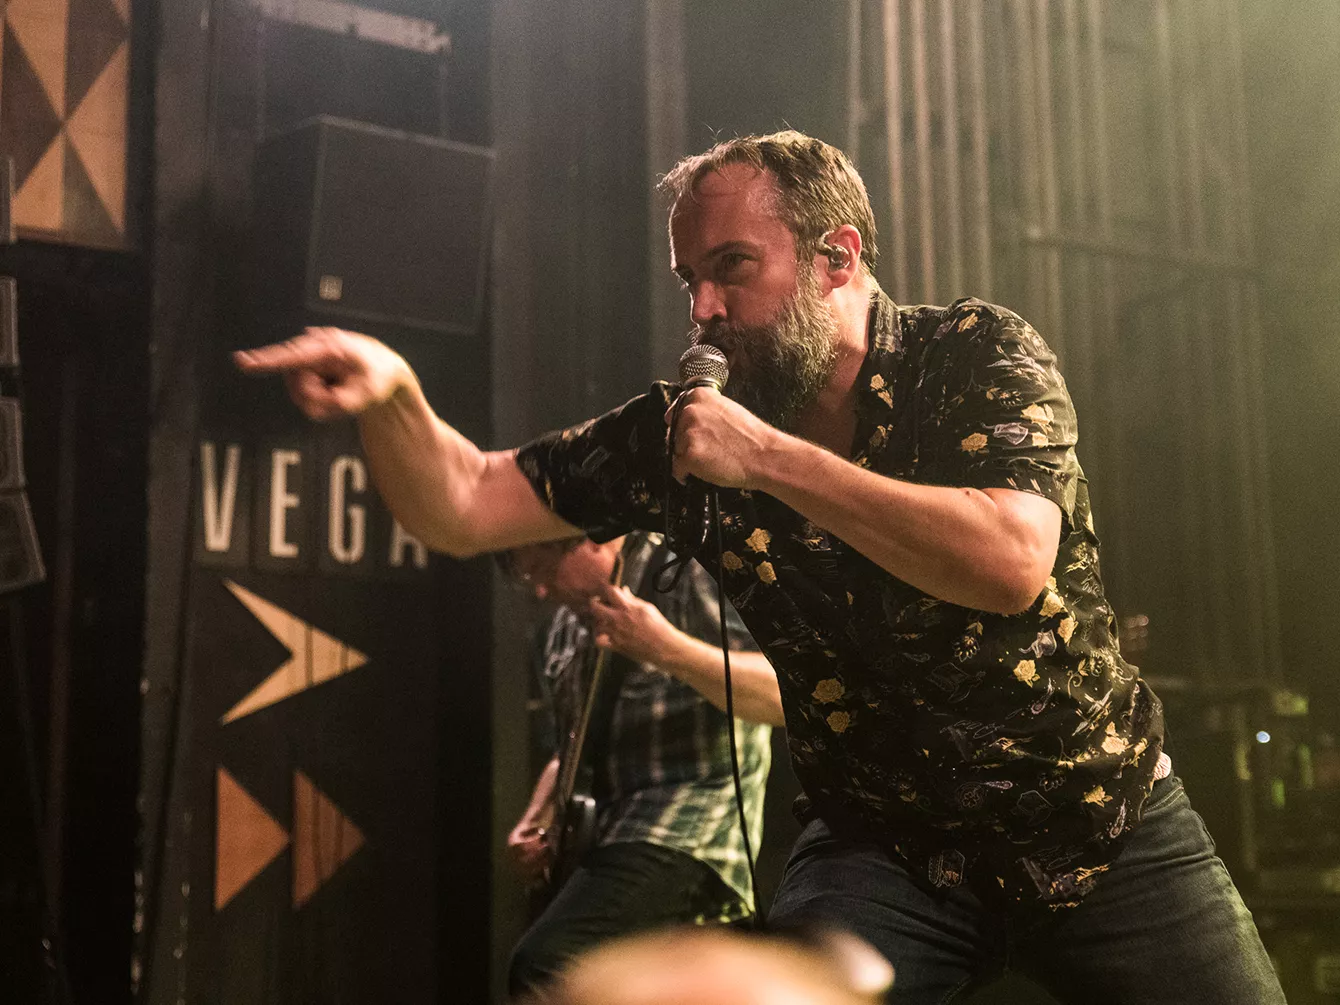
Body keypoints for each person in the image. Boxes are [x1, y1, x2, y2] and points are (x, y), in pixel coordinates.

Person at [235, 130, 1286, 1003]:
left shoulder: (972, 351)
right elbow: (465, 503)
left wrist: (768, 460)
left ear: (836, 258)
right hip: (882, 849)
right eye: (689, 280)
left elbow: (1009, 561)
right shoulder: (685, 435)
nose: (702, 307)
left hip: (1097, 821)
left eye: (731, 268)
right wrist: (394, 394)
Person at [498, 531, 780, 993]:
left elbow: (781, 693)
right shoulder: (565, 628)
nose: (542, 590)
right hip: (605, 840)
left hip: (689, 834)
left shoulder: (686, 573)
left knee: (551, 964)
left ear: (589, 540)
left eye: (543, 569)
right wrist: (536, 817)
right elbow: (571, 747)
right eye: (530, 579)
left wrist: (665, 646)